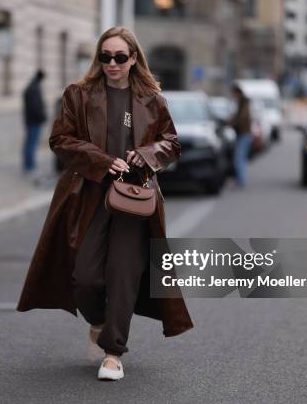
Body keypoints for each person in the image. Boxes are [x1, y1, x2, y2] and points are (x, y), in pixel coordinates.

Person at [16, 27, 194, 381]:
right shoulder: (78, 95)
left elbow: (171, 143)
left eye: (120, 57)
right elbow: (60, 139)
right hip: (90, 196)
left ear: (133, 59)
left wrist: (146, 154)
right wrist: (100, 160)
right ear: (98, 58)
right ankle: (98, 323)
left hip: (134, 199)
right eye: (105, 56)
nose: (112, 63)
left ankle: (113, 353)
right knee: (85, 278)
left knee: (123, 275)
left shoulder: (152, 100)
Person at [22, 69, 47, 178]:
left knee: (29, 143)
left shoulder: (31, 86)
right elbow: (36, 107)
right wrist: (42, 117)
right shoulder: (34, 88)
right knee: (31, 144)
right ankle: (30, 167)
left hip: (30, 120)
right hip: (34, 121)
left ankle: (28, 165)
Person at [229, 84, 253, 188]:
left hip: (244, 134)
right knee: (241, 158)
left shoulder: (243, 104)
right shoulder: (242, 103)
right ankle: (240, 179)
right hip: (243, 134)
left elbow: (241, 118)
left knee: (239, 158)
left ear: (237, 93)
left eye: (234, 94)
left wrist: (232, 123)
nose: (233, 96)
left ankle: (241, 180)